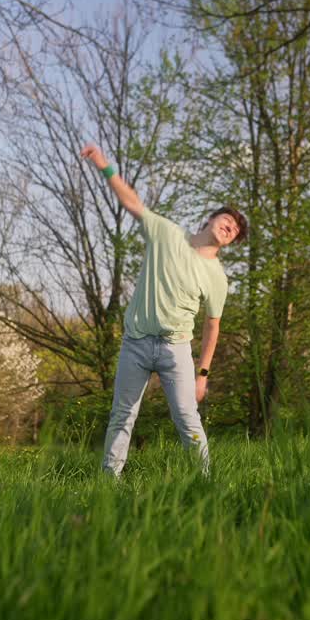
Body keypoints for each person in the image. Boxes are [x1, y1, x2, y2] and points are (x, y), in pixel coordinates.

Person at [81, 143, 248, 477]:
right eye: (227, 220)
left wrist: (203, 374)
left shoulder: (217, 277)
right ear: (211, 218)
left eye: (235, 231)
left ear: (231, 242)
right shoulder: (167, 234)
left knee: (187, 418)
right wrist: (104, 165)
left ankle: (205, 481)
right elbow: (132, 202)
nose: (230, 228)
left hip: (176, 350)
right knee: (122, 415)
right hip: (136, 343)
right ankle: (108, 482)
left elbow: (212, 325)